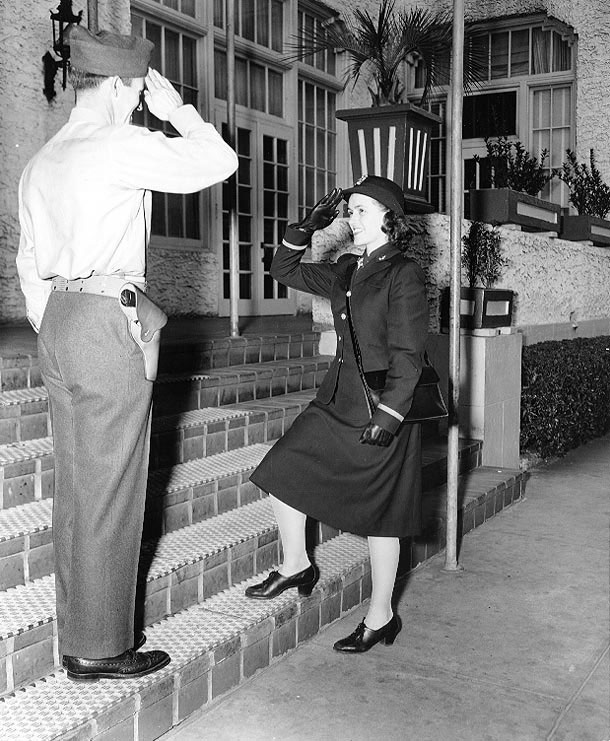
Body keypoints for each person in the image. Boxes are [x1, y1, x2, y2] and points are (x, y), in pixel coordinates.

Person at [16, 25, 238, 681]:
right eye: (140, 90)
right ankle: (103, 647)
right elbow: (218, 162)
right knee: (112, 488)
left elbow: (30, 266)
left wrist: (62, 323)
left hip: (58, 318)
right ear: (119, 85)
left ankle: (79, 633)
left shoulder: (45, 157)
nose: (143, 101)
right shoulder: (117, 144)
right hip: (105, 321)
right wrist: (179, 113)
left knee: (78, 488)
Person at [245, 175, 429, 653]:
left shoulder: (402, 273)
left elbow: (409, 354)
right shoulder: (346, 268)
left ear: (390, 219)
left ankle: (381, 615)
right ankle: (296, 564)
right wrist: (308, 227)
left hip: (382, 406)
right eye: (350, 210)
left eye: (362, 210)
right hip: (336, 402)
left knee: (381, 518)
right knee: (281, 470)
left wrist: (389, 416)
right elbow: (283, 269)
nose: (352, 218)